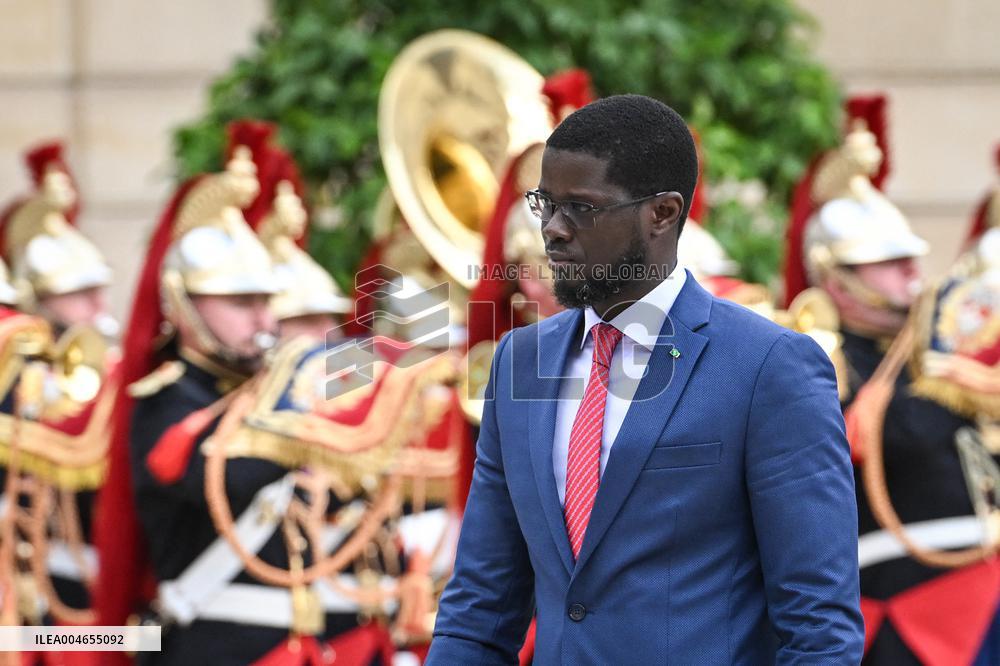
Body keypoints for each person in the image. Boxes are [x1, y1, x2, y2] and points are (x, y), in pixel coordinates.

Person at [427, 94, 864, 664]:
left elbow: (819, 626)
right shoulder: (518, 360)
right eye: (545, 204)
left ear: (662, 213)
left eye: (581, 207)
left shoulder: (770, 366)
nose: (552, 231)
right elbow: (479, 610)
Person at [786, 95, 1000, 664]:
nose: (912, 271)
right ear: (833, 276)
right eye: (887, 260)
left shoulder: (949, 340)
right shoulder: (810, 356)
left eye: (911, 256)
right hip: (883, 605)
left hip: (979, 590)